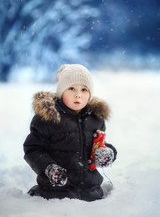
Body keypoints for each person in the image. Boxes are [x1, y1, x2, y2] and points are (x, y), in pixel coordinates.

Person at [23, 64, 117, 201]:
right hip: (55, 195)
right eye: (72, 88)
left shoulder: (96, 119)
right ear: (61, 92)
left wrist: (107, 153)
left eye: (84, 89)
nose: (78, 94)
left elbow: (98, 144)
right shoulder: (48, 119)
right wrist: (49, 168)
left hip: (90, 194)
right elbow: (33, 149)